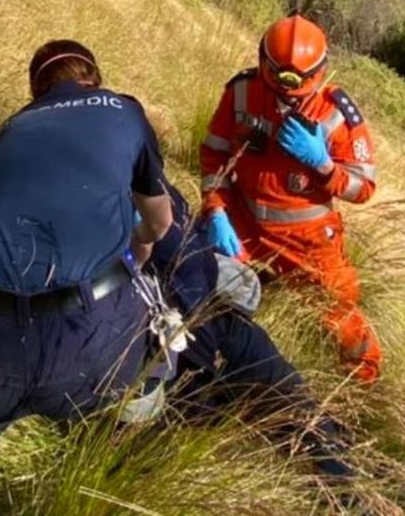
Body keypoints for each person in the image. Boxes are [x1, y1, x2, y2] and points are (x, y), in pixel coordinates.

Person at [0, 39, 173, 515]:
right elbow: (159, 223)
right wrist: (137, 251)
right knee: (144, 372)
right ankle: (122, 453)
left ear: (36, 89)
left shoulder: (12, 127)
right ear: (94, 76)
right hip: (87, 345)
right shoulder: (125, 111)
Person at [198, 14, 382, 384]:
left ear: (320, 72)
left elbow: (363, 189)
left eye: (296, 93)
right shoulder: (243, 92)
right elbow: (214, 154)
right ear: (265, 64)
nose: (287, 99)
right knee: (203, 282)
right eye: (280, 89)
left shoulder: (337, 115)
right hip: (243, 221)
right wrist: (216, 209)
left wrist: (323, 164)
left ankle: (364, 383)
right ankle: (211, 366)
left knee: (338, 313)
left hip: (308, 237)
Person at [147, 186, 356, 480]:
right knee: (180, 425)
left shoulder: (144, 171)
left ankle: (350, 481)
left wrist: (215, 214)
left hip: (217, 314)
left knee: (296, 407)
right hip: (162, 344)